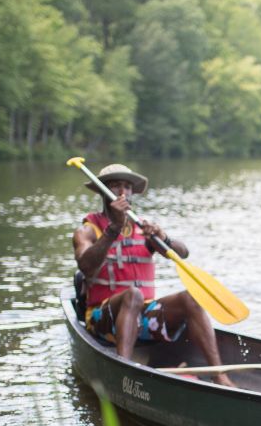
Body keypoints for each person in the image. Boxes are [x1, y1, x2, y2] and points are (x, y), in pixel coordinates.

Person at [72, 163, 236, 388]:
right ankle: (124, 370)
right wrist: (113, 229)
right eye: (115, 185)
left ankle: (220, 375)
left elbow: (183, 254)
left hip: (143, 317)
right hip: (103, 319)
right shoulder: (89, 230)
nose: (122, 191)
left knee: (190, 298)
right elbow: (86, 266)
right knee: (133, 295)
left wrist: (163, 238)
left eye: (127, 186)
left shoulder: (143, 227)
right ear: (103, 191)